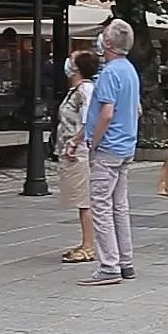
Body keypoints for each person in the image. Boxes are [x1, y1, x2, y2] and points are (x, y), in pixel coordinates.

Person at [78, 19, 141, 286]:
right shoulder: (130, 70)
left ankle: (109, 265)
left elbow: (106, 112)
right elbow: (136, 109)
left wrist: (93, 143)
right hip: (125, 145)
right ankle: (125, 261)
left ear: (109, 43)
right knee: (119, 205)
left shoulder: (109, 73)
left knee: (101, 206)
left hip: (108, 147)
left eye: (103, 37)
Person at [57, 50, 99, 264]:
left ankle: (89, 246)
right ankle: (86, 242)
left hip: (80, 151)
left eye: (71, 60)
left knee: (85, 200)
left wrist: (74, 141)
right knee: (80, 199)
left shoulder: (85, 90)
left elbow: (87, 121)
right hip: (73, 151)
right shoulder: (75, 91)